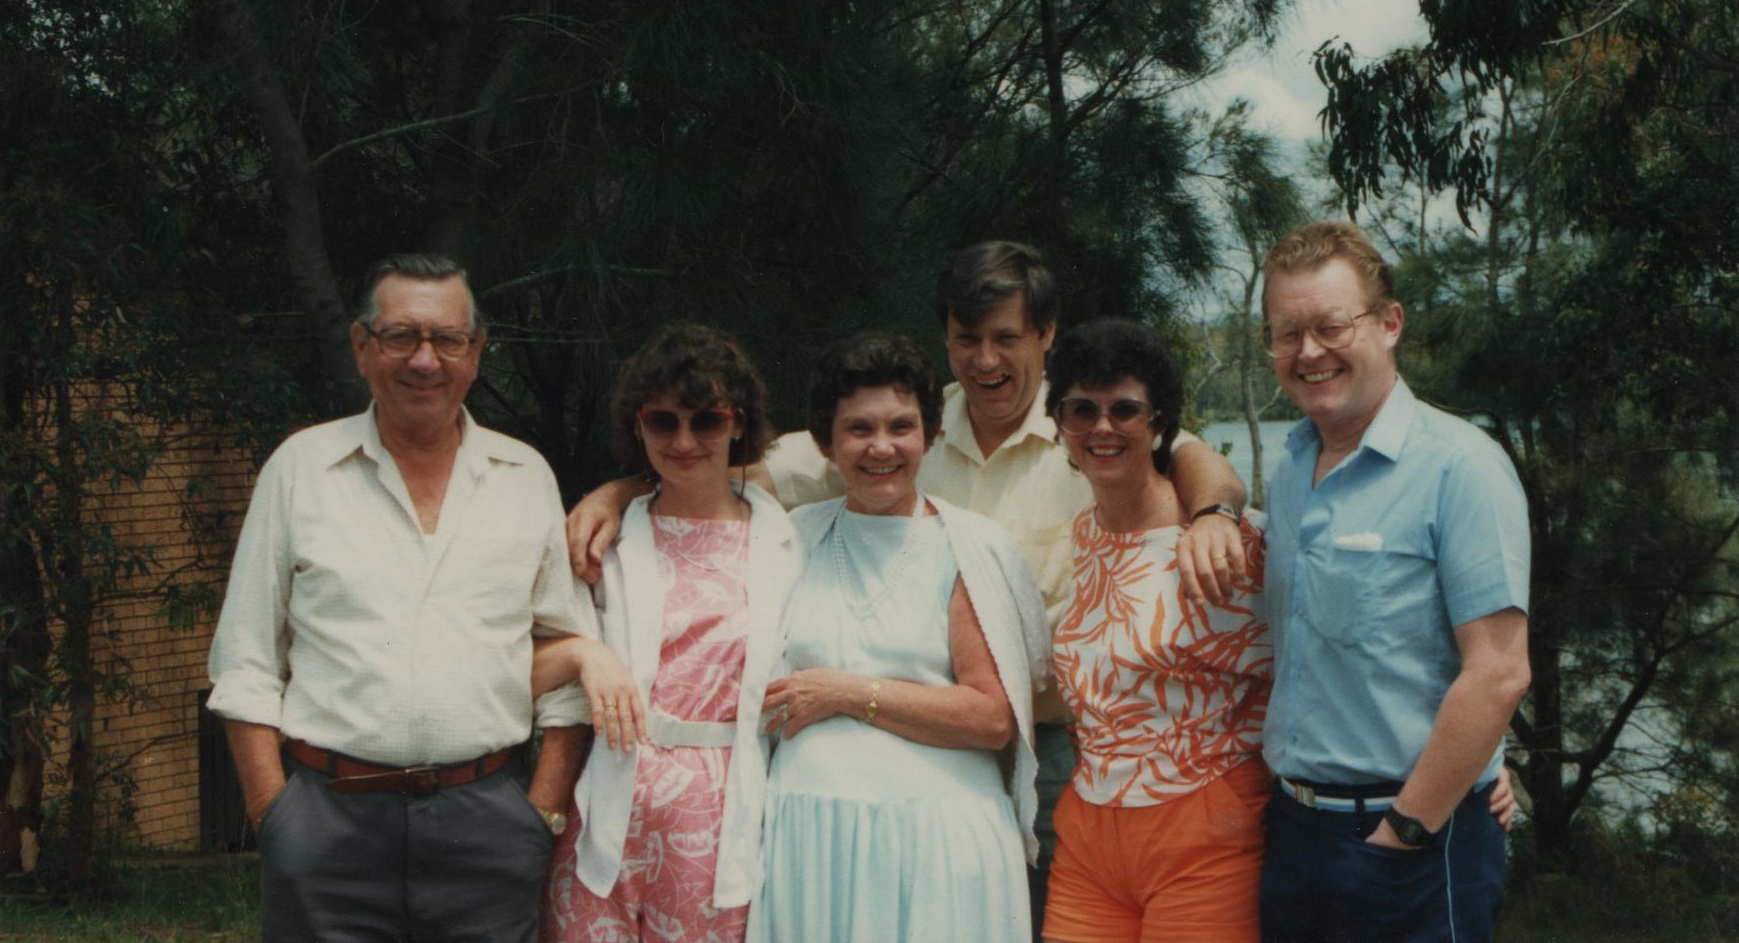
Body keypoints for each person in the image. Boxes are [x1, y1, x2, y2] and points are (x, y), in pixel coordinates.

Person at [567, 240, 1250, 931]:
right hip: (828, 819)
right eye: (966, 339)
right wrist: (616, 494)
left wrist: (1216, 514)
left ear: (1045, 335)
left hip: (1061, 749)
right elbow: (713, 469)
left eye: (1005, 338)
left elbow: (1193, 463)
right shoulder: (897, 424)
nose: (985, 359)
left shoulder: (1089, 424)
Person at [206, 254, 603, 943]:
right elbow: (245, 660)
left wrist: (538, 813)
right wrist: (275, 813)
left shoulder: (523, 477)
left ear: (476, 352)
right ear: (362, 347)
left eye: (448, 339)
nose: (425, 361)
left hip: (487, 827)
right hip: (326, 827)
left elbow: (564, 657)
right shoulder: (300, 470)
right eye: (401, 337)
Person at [1253, 222, 1530, 943]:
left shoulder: (1460, 467)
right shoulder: (1289, 472)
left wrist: (1406, 830)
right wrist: (1213, 508)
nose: (1307, 351)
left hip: (1408, 837)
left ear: (1389, 323)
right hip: (1290, 833)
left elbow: (1497, 673)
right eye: (1286, 332)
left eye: (1329, 326)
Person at [746, 332, 1049, 943]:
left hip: (937, 843)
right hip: (811, 840)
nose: (881, 447)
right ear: (827, 443)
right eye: (858, 429)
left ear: (930, 434)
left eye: (901, 426)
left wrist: (845, 693)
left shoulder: (967, 545)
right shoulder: (787, 538)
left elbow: (993, 717)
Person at [532, 325, 804, 943]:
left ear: (737, 424)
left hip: (724, 815)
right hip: (608, 803)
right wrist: (584, 655)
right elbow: (517, 667)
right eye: (663, 422)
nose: (684, 441)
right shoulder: (601, 540)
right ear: (638, 426)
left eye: (706, 421)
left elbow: (869, 452)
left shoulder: (789, 542)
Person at [1039, 318, 1272, 943]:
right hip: (1091, 828)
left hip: (1202, 822)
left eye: (1125, 410)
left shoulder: (1221, 538)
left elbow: (1317, 658)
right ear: (1061, 424)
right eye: (1082, 409)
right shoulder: (1086, 533)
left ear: (1160, 422)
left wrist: (1483, 762)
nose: (1103, 427)